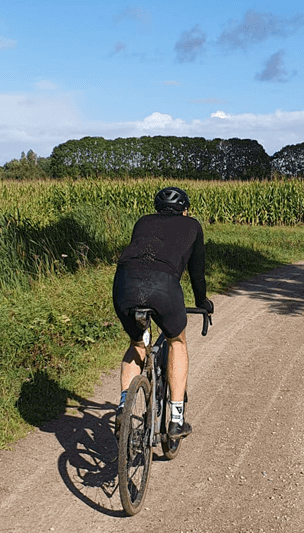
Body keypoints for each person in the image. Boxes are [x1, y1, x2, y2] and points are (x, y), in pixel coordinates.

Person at [113, 186, 213, 439]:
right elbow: (197, 273)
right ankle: (176, 420)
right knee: (177, 341)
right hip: (163, 286)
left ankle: (124, 408)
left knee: (137, 343)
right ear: (185, 210)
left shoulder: (143, 221)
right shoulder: (192, 226)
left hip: (124, 283)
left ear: (158, 209)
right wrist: (202, 301)